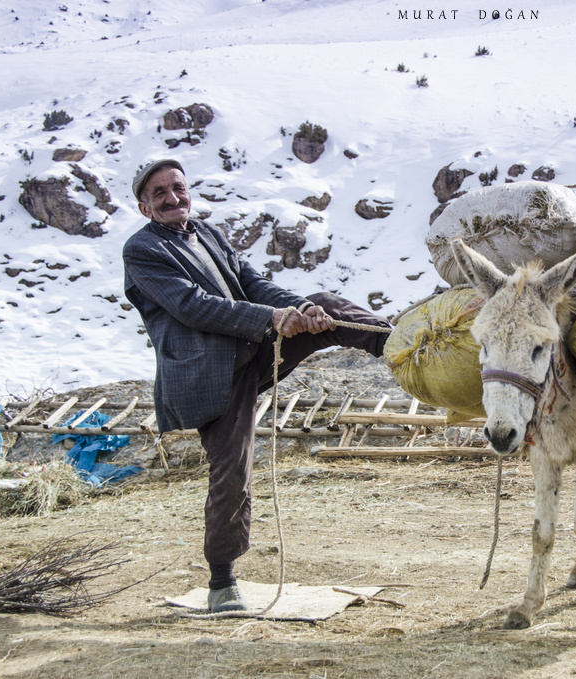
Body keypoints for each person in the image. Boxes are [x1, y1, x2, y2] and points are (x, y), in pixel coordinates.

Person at [123, 158, 391, 613]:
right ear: (146, 207)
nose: (172, 198)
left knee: (326, 306)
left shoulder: (206, 233)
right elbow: (194, 306)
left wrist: (300, 309)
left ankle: (403, 349)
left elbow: (252, 282)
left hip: (250, 349)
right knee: (233, 471)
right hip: (211, 374)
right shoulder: (142, 250)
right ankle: (222, 582)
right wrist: (274, 318)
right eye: (159, 194)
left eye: (177, 188)